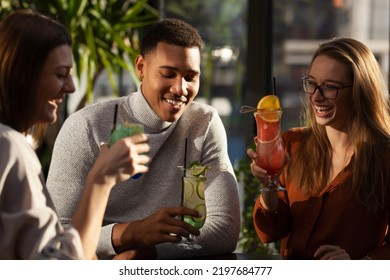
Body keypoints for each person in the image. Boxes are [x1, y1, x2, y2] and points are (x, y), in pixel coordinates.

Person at [47, 18, 240, 259]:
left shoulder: (204, 123)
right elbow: (57, 237)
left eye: (190, 77)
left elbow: (225, 229)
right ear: (141, 67)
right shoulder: (86, 127)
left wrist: (151, 252)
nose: (181, 88)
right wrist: (127, 234)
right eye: (168, 74)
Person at [0, 10, 150, 260]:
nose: (71, 87)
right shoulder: (10, 148)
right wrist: (101, 180)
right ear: (22, 75)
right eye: (61, 74)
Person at [247, 37, 390, 260]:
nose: (315, 96)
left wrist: (360, 266)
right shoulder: (292, 144)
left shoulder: (385, 158)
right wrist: (269, 186)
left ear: (360, 91)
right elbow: (271, 232)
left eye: (330, 87)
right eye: (311, 83)